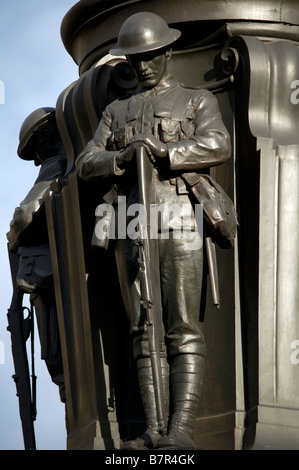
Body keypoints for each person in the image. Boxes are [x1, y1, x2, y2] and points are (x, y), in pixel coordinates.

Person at [76, 12, 231, 450]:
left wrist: (167, 151)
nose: (143, 66)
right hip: (130, 222)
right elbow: (87, 161)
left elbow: (219, 142)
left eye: (150, 57)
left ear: (166, 52)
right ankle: (152, 429)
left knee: (182, 326)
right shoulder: (115, 110)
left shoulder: (196, 100)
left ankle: (181, 428)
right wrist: (119, 159)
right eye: (135, 59)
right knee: (144, 328)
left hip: (181, 218)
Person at [8, 108, 67, 413]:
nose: (35, 160)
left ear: (46, 136)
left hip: (56, 285)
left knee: (60, 364)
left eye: (35, 151)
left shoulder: (56, 165)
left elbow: (24, 215)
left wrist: (14, 236)